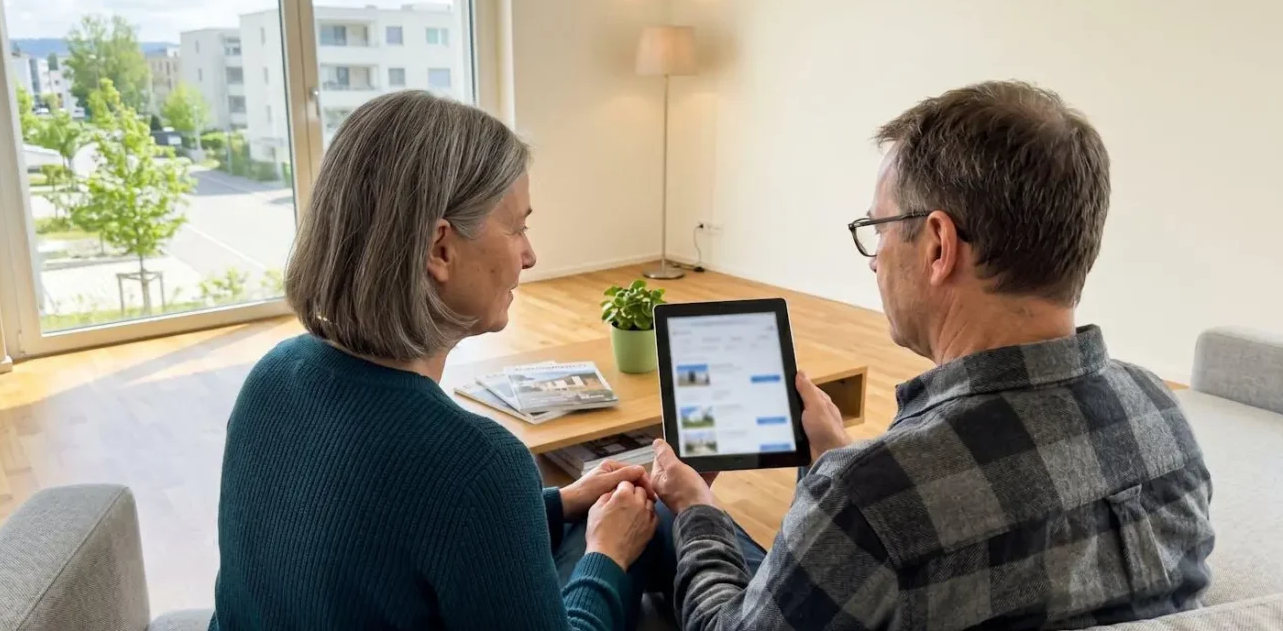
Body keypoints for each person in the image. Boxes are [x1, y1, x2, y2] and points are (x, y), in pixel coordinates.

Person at [649, 81, 1214, 630]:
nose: (874, 259)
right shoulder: (1161, 414)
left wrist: (696, 507)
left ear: (939, 246)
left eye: (878, 227)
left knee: (649, 534)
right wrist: (835, 464)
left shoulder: (869, 499)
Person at [210, 91, 659, 631]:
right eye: (517, 227)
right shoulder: (478, 462)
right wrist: (608, 552)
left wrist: (561, 502)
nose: (529, 255)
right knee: (660, 525)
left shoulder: (273, 374)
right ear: (438, 250)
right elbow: (445, 503)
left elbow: (391, 540)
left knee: (610, 514)